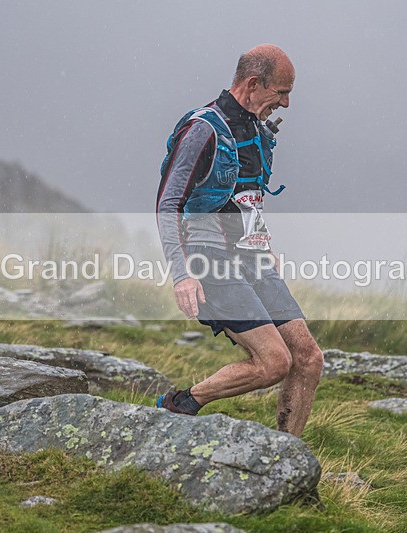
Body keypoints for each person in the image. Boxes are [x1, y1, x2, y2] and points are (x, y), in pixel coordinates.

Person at [155, 44, 324, 437]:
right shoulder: (203, 130)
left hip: (253, 259)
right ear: (252, 84)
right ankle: (181, 403)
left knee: (308, 358)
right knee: (273, 362)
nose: (285, 103)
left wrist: (264, 246)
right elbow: (168, 204)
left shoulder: (257, 132)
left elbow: (246, 199)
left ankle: (287, 462)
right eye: (280, 92)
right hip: (209, 260)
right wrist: (182, 275)